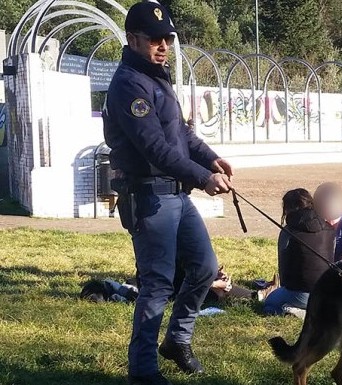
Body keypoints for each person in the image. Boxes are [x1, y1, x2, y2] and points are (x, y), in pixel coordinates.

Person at [102, 3, 233, 385]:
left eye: (167, 38)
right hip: (150, 197)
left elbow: (182, 135)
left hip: (177, 195)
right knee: (156, 285)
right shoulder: (129, 83)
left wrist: (211, 160)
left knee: (206, 268)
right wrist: (203, 178)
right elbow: (155, 149)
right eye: (154, 39)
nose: (163, 45)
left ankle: (177, 340)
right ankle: (142, 370)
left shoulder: (158, 78)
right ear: (132, 39)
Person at [263, 189, 335, 316]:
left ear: (287, 208)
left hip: (300, 294)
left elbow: (283, 269)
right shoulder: (329, 228)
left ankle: (296, 311)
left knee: (269, 303)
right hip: (326, 293)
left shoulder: (288, 231)